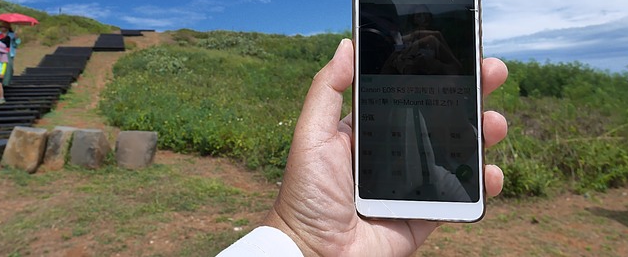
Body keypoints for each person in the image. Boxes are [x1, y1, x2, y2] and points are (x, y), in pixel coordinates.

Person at [217, 39, 509, 256]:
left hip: (425, 178)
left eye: (389, 42)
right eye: (371, 41)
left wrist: (447, 109)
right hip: (369, 197)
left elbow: (455, 165)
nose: (381, 54)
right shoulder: (372, 107)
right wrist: (303, 239)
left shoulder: (414, 105)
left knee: (477, 178)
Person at [0, 22, 20, 87]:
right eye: (2, 27)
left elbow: (16, 44)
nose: (3, 28)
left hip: (8, 53)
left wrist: (16, 38)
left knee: (8, 68)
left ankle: (6, 83)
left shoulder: (12, 35)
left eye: (4, 27)